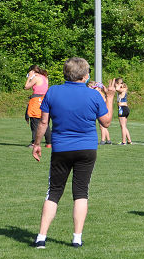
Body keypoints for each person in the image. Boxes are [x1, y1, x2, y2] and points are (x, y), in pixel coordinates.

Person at [32, 57, 114, 248]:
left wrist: (37, 144)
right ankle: (77, 238)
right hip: (87, 148)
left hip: (61, 148)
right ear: (85, 76)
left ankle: (41, 237)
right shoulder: (93, 95)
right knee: (81, 193)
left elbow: (43, 122)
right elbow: (106, 122)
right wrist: (110, 97)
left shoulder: (53, 91)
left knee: (54, 192)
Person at [24, 65, 52, 148]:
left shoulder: (36, 78)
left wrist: (29, 77)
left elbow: (26, 87)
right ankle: (49, 143)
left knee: (35, 122)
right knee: (44, 121)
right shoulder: (45, 77)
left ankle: (34, 143)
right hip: (44, 100)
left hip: (36, 101)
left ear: (32, 71)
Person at [114, 78, 132, 144]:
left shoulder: (122, 89)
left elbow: (116, 89)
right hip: (125, 108)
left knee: (123, 126)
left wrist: (119, 84)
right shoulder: (124, 88)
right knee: (124, 126)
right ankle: (129, 140)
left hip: (122, 108)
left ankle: (124, 141)